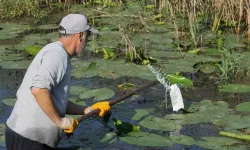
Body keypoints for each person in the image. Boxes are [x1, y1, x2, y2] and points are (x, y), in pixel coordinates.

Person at [5, 13, 111, 150]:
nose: (87, 42)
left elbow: (54, 100)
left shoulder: (57, 52)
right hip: (28, 139)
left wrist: (89, 110)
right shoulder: (58, 55)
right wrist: (60, 122)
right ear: (79, 36)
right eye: (87, 37)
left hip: (26, 137)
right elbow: (39, 89)